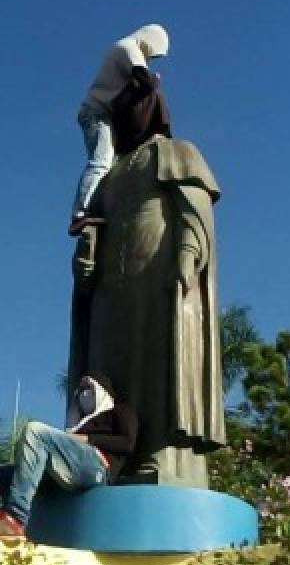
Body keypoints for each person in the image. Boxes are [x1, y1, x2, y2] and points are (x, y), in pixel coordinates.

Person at [67, 79, 225, 488]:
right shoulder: (109, 175)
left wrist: (189, 255)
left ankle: (157, 453)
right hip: (111, 290)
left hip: (157, 276)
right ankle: (106, 457)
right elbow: (91, 226)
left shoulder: (178, 153)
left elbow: (196, 208)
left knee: (158, 362)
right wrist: (86, 262)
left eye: (137, 104)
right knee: (107, 369)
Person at [0, 374, 138, 539]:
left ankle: (15, 519)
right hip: (64, 473)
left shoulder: (120, 411)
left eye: (89, 388)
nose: (84, 394)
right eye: (81, 390)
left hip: (97, 467)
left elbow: (127, 443)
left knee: (35, 431)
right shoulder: (78, 424)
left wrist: (85, 439)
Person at [69, 24, 170, 236]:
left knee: (113, 167)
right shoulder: (128, 47)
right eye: (154, 53)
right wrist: (154, 80)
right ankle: (80, 213)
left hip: (108, 116)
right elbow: (143, 81)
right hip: (96, 114)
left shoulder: (127, 49)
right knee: (101, 160)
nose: (151, 58)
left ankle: (100, 208)